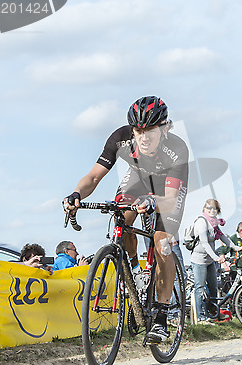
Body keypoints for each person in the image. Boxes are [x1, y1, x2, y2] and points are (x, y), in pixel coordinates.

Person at [63, 96, 189, 343]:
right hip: (137, 180)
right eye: (138, 130)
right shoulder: (120, 138)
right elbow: (94, 177)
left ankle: (162, 317)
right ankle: (135, 274)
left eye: (150, 130)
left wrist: (155, 201)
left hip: (167, 190)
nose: (143, 136)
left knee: (162, 243)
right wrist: (76, 193)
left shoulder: (176, 148)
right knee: (121, 218)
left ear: (163, 128)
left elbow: (171, 199)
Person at [190, 199, 242, 323]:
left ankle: (214, 314)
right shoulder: (202, 222)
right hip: (199, 260)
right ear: (204, 210)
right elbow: (204, 242)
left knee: (213, 287)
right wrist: (216, 257)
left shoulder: (214, 223)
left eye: (215, 209)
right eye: (209, 208)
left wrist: (235, 247)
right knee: (200, 287)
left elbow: (223, 237)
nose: (212, 211)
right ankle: (201, 317)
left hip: (209, 261)